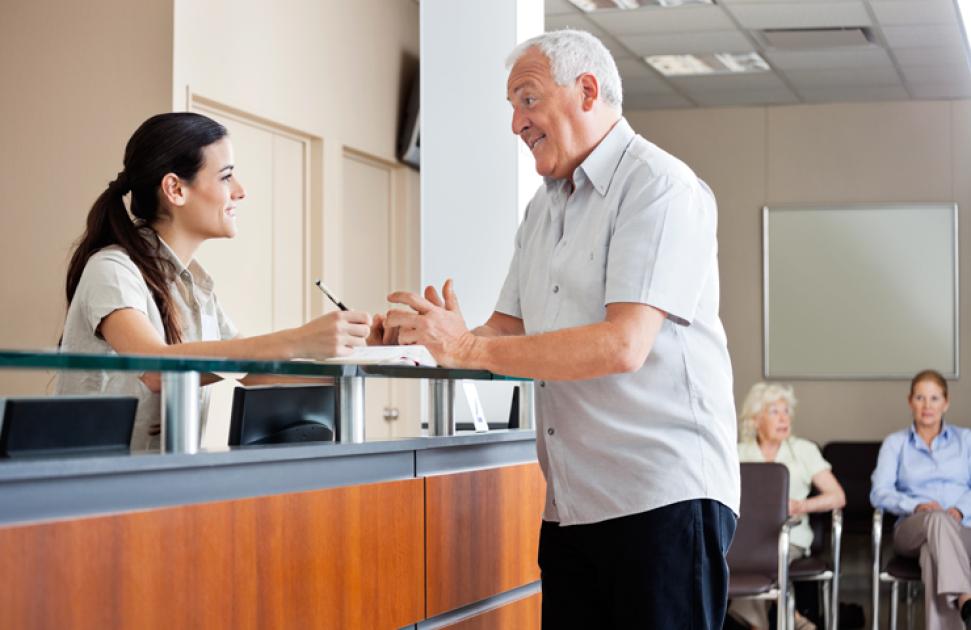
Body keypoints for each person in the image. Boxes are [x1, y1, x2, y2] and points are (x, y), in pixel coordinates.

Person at [382, 30, 739, 629]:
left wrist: (467, 348)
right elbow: (504, 331)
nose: (515, 124)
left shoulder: (659, 187)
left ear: (587, 91)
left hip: (661, 499)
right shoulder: (544, 207)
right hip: (573, 507)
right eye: (512, 107)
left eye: (527, 100)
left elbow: (624, 344)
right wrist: (432, 337)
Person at [57, 112, 378, 451]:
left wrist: (366, 355)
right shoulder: (111, 269)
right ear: (175, 189)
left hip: (159, 482)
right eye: (226, 177)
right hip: (93, 487)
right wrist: (298, 339)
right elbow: (156, 370)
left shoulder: (197, 286)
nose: (240, 191)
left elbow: (254, 372)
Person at [730, 382, 846, 630]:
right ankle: (795, 621)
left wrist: (800, 505)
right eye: (774, 412)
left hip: (788, 538)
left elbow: (837, 497)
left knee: (761, 559)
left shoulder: (803, 450)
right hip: (743, 540)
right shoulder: (738, 453)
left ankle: (758, 625)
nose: (784, 418)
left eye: (786, 412)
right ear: (755, 418)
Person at [871, 369, 971, 630]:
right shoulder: (895, 444)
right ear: (910, 401)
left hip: (963, 530)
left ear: (946, 403)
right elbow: (879, 492)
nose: (927, 406)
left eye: (935, 398)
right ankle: (965, 597)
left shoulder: (966, 440)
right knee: (935, 521)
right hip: (912, 529)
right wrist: (914, 506)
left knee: (932, 556)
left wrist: (960, 510)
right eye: (920, 398)